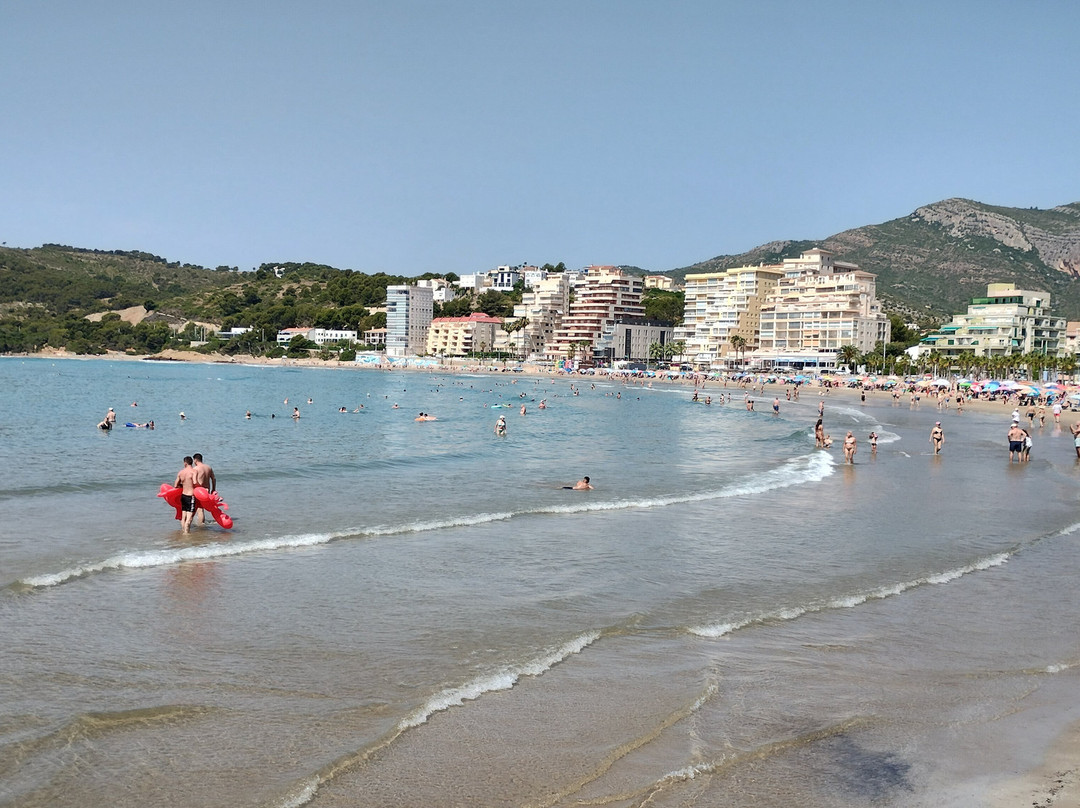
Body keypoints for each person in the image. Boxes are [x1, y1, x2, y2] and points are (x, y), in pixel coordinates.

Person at [174, 456, 198, 534]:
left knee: (183, 517)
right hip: (191, 496)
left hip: (183, 496)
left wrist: (183, 485)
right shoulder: (194, 471)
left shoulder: (181, 472)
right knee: (189, 518)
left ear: (185, 463)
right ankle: (186, 535)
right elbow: (195, 482)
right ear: (191, 462)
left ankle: (184, 532)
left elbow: (175, 485)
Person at [192, 453, 216, 526]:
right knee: (201, 508)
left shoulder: (195, 469)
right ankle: (202, 522)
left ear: (195, 460)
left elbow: (193, 481)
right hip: (207, 490)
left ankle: (201, 526)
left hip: (199, 491)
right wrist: (213, 489)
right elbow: (214, 479)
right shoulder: (208, 467)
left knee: (199, 509)